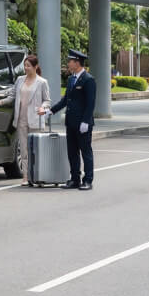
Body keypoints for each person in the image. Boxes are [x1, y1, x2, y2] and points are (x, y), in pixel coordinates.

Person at [38, 49, 96, 190]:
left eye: (70, 61)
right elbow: (66, 100)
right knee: (72, 152)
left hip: (83, 123)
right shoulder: (71, 79)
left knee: (85, 152)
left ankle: (87, 180)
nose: (68, 63)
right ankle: (74, 179)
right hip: (70, 122)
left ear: (77, 63)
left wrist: (86, 121)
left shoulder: (88, 79)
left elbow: (90, 103)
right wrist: (50, 111)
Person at [0, 55, 51, 186]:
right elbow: (12, 96)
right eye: (25, 65)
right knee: (24, 149)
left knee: (36, 150)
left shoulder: (42, 82)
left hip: (35, 119)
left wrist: (43, 107)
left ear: (35, 67)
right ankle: (26, 177)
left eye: (28, 66)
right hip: (21, 120)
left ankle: (38, 176)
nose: (26, 68)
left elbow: (47, 100)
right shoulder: (19, 80)